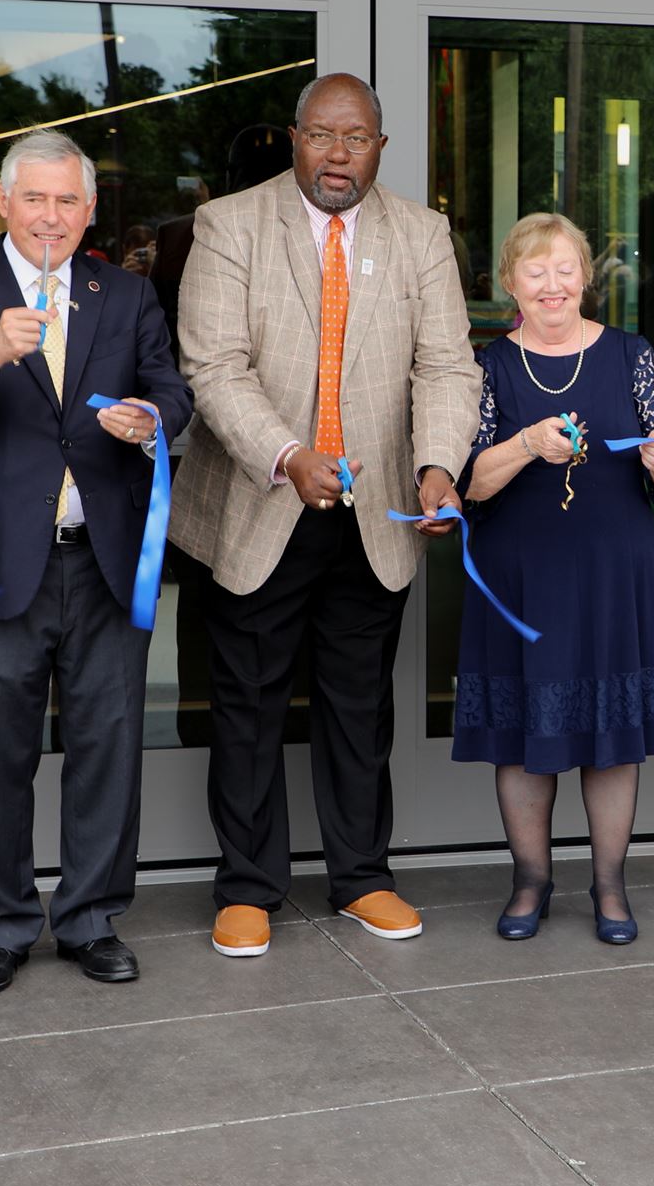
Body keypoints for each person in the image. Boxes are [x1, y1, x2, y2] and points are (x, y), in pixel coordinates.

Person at [173, 73, 480, 952]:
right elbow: (215, 366)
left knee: (358, 704)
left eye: (355, 138)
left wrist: (436, 466)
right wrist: (288, 455)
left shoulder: (420, 233)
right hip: (261, 496)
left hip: (375, 511)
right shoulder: (231, 224)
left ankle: (361, 875)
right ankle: (248, 885)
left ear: (380, 147)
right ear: (294, 139)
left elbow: (448, 365)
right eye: (321, 135)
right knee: (248, 701)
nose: (337, 154)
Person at [0, 129, 192, 997]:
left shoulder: (127, 291)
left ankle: (93, 917)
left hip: (103, 555)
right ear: (2, 198)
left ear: (90, 208)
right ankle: (0, 924)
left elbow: (172, 389)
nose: (52, 217)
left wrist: (151, 416)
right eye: (36, 199)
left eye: (69, 201)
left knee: (108, 742)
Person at [454, 213, 654, 943]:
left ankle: (610, 887)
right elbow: (470, 484)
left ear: (586, 275)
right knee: (526, 736)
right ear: (510, 284)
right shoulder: (489, 366)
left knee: (611, 736)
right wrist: (525, 441)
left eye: (564, 269)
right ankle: (530, 880)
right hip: (521, 577)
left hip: (613, 571)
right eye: (535, 271)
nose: (552, 285)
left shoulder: (631, 354)